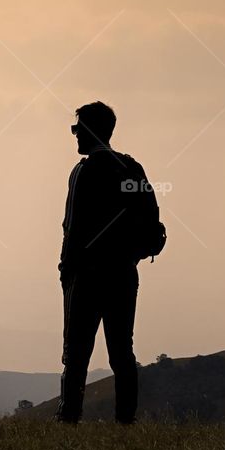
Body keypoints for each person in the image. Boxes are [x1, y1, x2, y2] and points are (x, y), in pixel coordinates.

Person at [56, 100, 162, 424]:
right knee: (121, 352)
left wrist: (66, 271)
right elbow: (152, 219)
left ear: (89, 131)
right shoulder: (131, 168)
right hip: (123, 275)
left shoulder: (83, 172)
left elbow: (71, 231)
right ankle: (125, 422)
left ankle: (69, 418)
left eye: (77, 129)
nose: (74, 136)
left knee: (76, 354)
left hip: (86, 277)